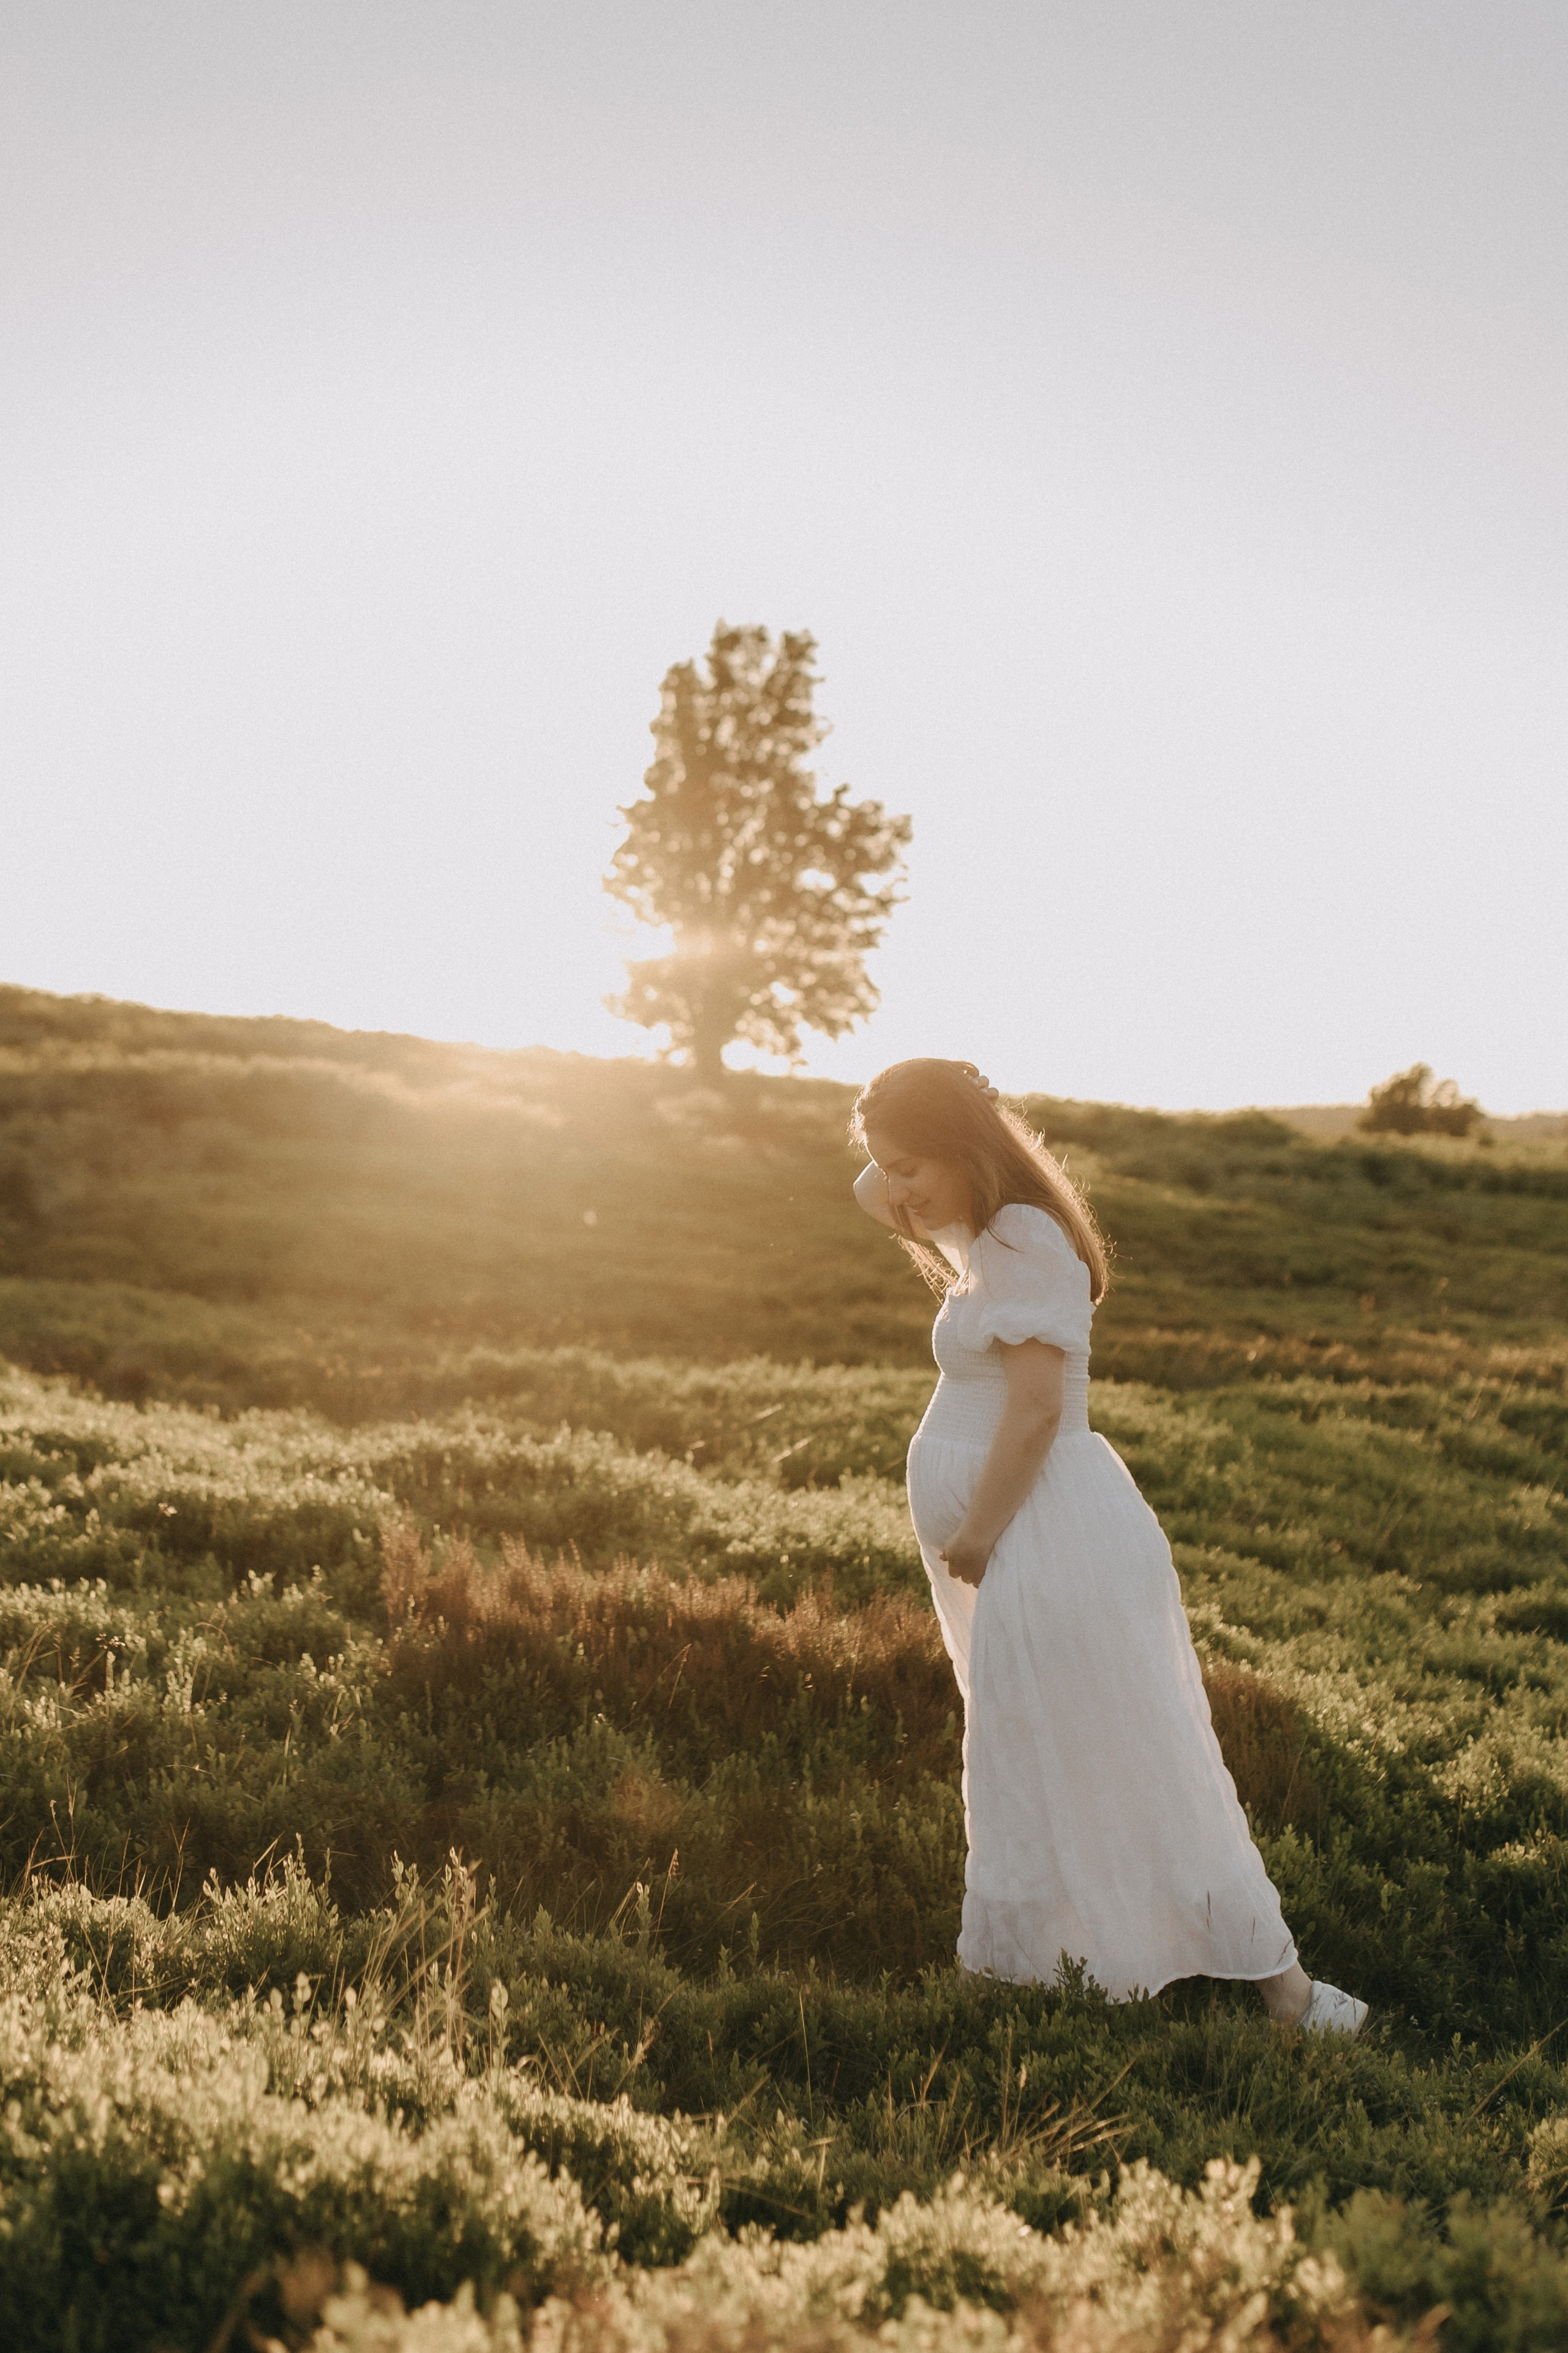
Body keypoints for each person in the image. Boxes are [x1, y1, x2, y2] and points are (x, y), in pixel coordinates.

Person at [851, 1056, 1366, 2033]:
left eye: (916, 1162)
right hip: (1019, 1535)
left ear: (965, 1151)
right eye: (893, 1164)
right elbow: (865, 1189)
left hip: (1042, 1531)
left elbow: (1039, 1410)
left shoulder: (1024, 1235)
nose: (900, 1189)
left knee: (1134, 1746)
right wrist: (904, 1135)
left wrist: (977, 1534)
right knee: (1041, 1742)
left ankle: (1284, 1992)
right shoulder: (981, 1228)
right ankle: (1058, 1956)